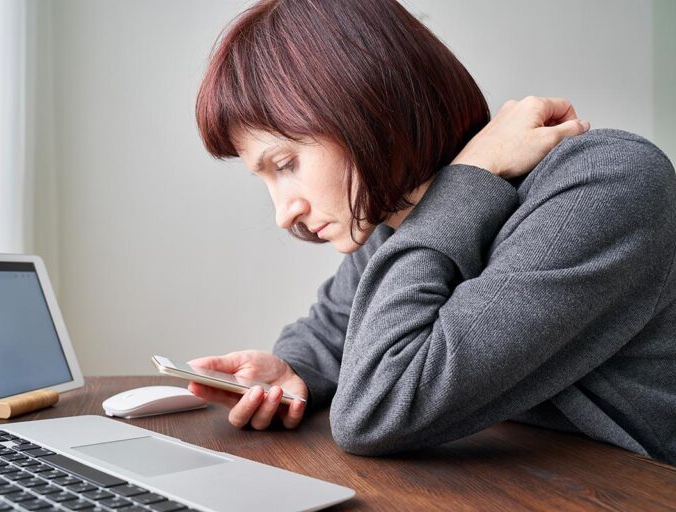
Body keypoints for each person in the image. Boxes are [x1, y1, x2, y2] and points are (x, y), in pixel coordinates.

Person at [189, 0, 676, 464]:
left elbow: (376, 409)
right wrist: (296, 370)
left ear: (366, 107)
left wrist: (469, 178)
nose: (284, 212)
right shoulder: (404, 216)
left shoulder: (604, 183)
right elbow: (330, 330)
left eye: (285, 164)